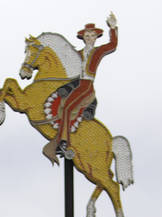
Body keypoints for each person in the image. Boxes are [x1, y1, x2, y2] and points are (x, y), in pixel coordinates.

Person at [43, 13, 118, 164]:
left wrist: (113, 27)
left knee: (69, 109)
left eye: (92, 35)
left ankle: (64, 142)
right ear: (83, 37)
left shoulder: (98, 51)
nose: (90, 37)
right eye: (87, 35)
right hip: (77, 85)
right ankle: (61, 140)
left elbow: (113, 45)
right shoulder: (78, 54)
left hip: (87, 86)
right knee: (63, 107)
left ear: (96, 37)